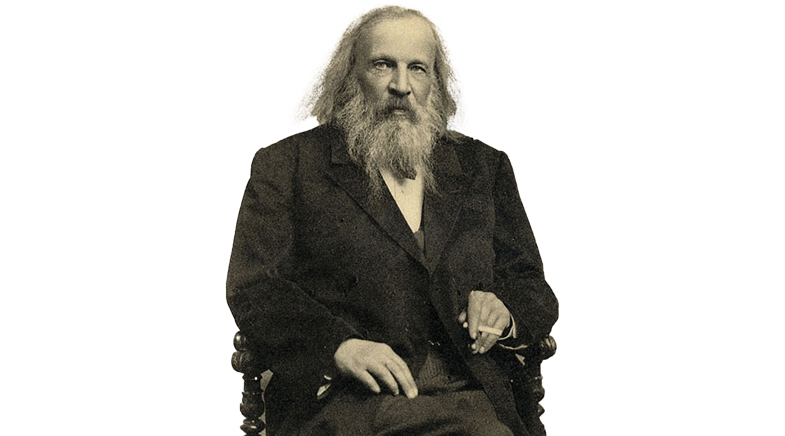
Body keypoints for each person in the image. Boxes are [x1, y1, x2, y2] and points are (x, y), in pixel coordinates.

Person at [227, 6, 558, 436]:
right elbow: (255, 288)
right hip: (350, 402)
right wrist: (339, 347)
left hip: (471, 396)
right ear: (350, 76)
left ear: (435, 82)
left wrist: (504, 309)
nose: (401, 85)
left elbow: (532, 285)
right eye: (383, 64)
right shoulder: (288, 165)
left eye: (417, 68)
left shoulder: (483, 167)